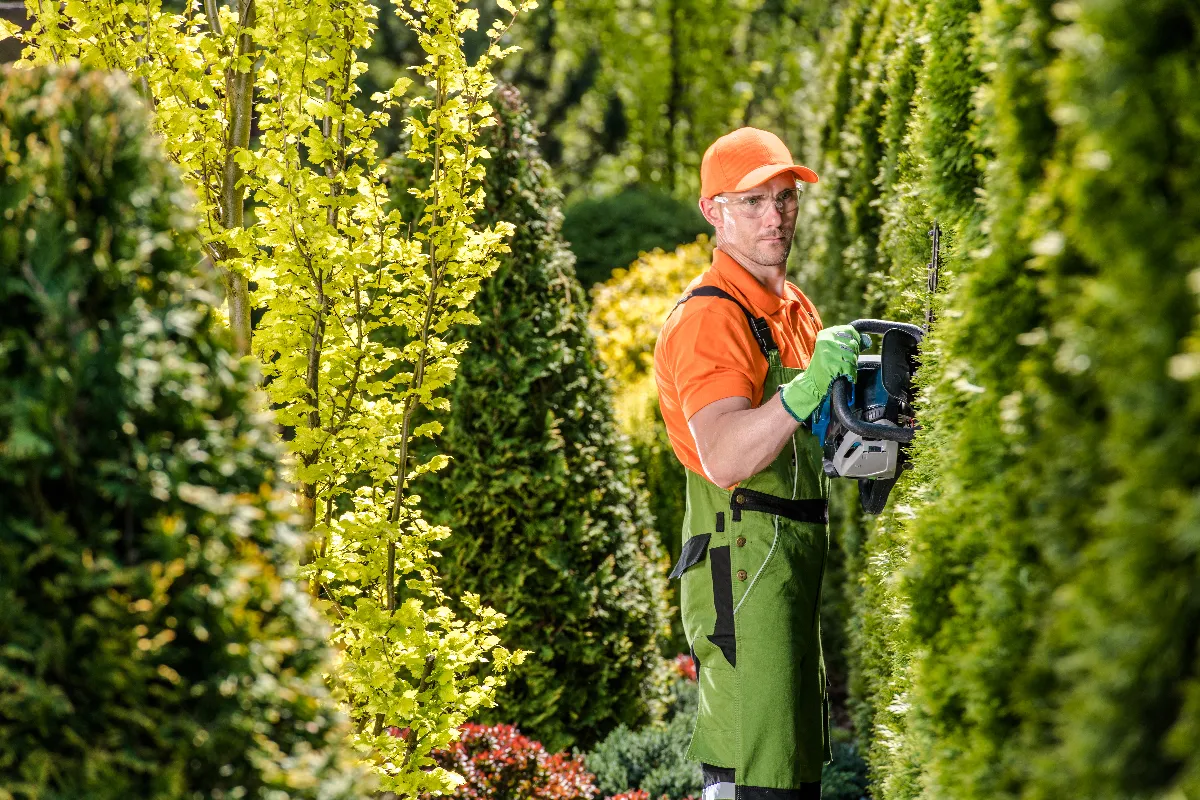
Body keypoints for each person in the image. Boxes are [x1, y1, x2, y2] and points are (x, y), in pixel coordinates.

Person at [653, 127, 867, 800]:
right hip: (740, 564)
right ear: (714, 212)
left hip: (793, 561)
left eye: (784, 197)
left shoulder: (796, 308)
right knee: (753, 775)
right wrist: (807, 389)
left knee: (794, 773)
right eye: (751, 202)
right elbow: (726, 456)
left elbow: (816, 444)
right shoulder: (708, 319)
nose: (774, 216)